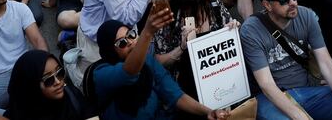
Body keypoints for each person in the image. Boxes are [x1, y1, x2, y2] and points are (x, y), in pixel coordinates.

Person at [92, 14, 230, 120]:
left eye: (131, 35)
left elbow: (175, 95)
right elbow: (129, 73)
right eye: (121, 43)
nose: (129, 42)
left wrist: (208, 112)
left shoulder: (146, 60)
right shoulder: (101, 73)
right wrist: (147, 32)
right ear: (109, 50)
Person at [153, 0, 235, 103]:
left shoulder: (215, 6)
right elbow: (159, 62)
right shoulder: (168, 18)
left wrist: (231, 30)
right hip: (185, 88)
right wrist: (182, 48)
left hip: (218, 80)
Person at [0, 50, 94, 120]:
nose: (58, 82)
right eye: (48, 80)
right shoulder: (25, 111)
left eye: (60, 73)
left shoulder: (72, 97)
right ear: (32, 87)